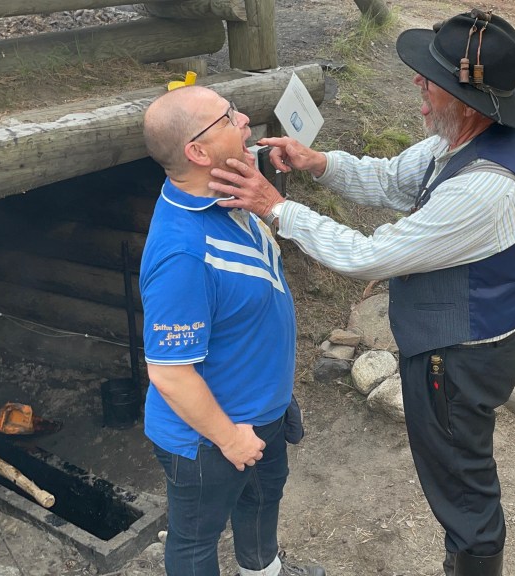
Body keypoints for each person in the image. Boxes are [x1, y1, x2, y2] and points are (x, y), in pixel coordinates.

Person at [208, 10, 515, 576]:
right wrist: (320, 163)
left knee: (462, 492)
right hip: (445, 349)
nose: (418, 82)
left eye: (430, 78)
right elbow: (392, 178)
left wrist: (277, 208)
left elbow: (370, 256)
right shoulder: (462, 139)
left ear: (467, 101)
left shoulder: (490, 188)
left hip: (459, 363)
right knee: (454, 480)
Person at [140, 86, 323, 576]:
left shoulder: (229, 198)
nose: (245, 121)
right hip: (210, 437)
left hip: (262, 410)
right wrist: (229, 439)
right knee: (195, 540)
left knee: (263, 498)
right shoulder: (182, 254)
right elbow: (170, 373)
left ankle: (264, 570)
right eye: (228, 117)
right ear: (198, 153)